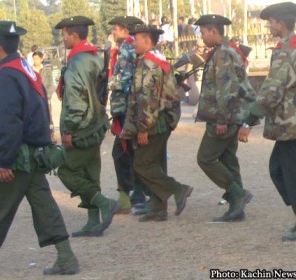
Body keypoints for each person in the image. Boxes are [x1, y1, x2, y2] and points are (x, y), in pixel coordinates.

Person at [0, 21, 80, 279]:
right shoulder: (25, 68)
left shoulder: (6, 76)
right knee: (44, 206)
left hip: (17, 157)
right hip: (34, 153)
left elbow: (8, 121)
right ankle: (65, 256)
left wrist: (5, 161)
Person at [238, 2, 296, 241]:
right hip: (292, 119)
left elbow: (272, 90)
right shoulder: (294, 47)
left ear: (281, 23)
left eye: (272, 21)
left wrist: (250, 118)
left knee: (290, 171)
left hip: (290, 120)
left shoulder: (288, 50)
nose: (269, 25)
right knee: (279, 169)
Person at [55, 16, 120, 237]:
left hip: (81, 128)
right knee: (90, 173)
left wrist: (69, 130)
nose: (61, 38)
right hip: (96, 124)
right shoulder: (94, 57)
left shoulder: (76, 63)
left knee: (66, 169)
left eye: (63, 34)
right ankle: (93, 222)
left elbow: (75, 101)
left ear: (73, 35)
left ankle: (104, 204)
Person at [121, 25, 193, 222]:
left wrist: (144, 128)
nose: (134, 43)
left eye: (136, 39)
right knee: (156, 164)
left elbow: (148, 98)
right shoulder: (157, 59)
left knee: (141, 164)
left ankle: (178, 189)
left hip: (153, 121)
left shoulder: (148, 64)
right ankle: (158, 207)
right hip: (161, 119)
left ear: (146, 40)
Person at [194, 14, 257, 222]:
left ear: (214, 30)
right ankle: (236, 207)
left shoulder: (223, 53)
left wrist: (221, 119)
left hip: (225, 117)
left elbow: (225, 89)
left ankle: (237, 194)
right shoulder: (225, 51)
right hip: (232, 115)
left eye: (203, 32)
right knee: (228, 160)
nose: (201, 37)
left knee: (205, 158)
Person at [108, 16, 149, 214]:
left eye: (115, 28)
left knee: (123, 152)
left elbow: (123, 80)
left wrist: (105, 82)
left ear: (125, 30)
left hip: (127, 108)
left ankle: (133, 196)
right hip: (133, 107)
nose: (113, 33)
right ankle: (136, 195)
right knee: (133, 152)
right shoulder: (136, 48)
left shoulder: (126, 49)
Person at [32, 51, 57, 143]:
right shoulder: (30, 71)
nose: (35, 60)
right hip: (34, 98)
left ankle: (51, 135)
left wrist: (48, 95)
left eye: (37, 58)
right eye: (34, 59)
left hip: (45, 98)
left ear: (41, 59)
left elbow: (51, 85)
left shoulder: (47, 71)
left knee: (48, 117)